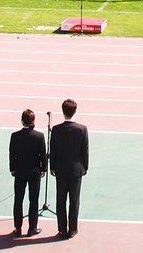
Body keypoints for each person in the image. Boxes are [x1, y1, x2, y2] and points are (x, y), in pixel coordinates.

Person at [49, 98, 89, 239]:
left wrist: (52, 166)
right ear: (75, 111)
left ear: (63, 111)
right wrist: (85, 167)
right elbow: (85, 150)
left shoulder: (56, 129)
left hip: (60, 169)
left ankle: (61, 229)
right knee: (74, 200)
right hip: (76, 169)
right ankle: (72, 229)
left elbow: (53, 150)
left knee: (61, 200)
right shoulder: (82, 129)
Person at [9, 107, 48, 237]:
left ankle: (18, 228)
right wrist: (43, 169)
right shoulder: (39, 136)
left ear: (22, 121)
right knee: (34, 200)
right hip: (34, 171)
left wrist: (12, 169)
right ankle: (32, 228)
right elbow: (43, 155)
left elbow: (12, 155)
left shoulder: (15, 136)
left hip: (20, 171)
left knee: (18, 199)